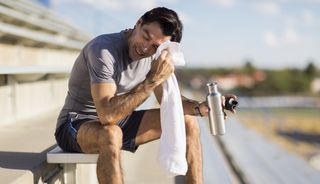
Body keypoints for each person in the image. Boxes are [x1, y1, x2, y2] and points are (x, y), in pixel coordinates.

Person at [55, 7, 236, 184]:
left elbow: (171, 102)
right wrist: (152, 80)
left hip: (119, 121)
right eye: (145, 36)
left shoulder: (155, 57)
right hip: (77, 124)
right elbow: (107, 115)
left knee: (188, 121)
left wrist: (201, 107)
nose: (145, 47)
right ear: (138, 23)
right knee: (111, 133)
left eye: (155, 46)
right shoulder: (103, 50)